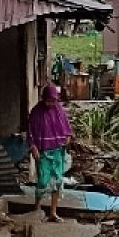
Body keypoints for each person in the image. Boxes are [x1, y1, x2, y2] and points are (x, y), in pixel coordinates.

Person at [28, 84, 73, 222]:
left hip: (58, 151)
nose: (50, 104)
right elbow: (30, 132)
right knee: (42, 181)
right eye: (48, 101)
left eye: (53, 101)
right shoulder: (36, 112)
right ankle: (36, 209)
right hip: (43, 151)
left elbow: (67, 128)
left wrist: (68, 137)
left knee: (58, 181)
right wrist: (33, 146)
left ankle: (53, 212)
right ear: (43, 99)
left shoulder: (59, 110)